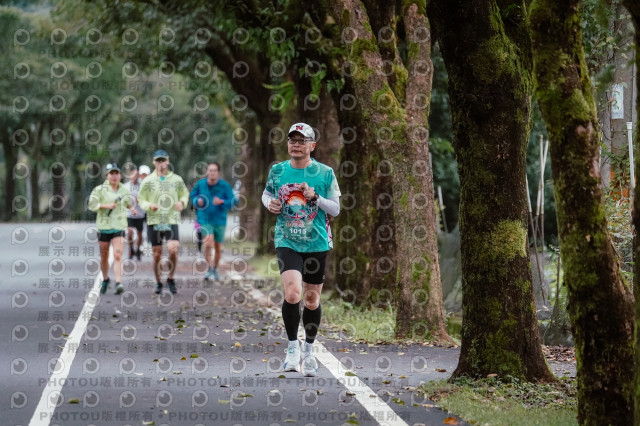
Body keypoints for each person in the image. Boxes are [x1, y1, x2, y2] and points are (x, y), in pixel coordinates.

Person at [262, 123, 341, 376]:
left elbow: (336, 209)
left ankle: (309, 350)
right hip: (287, 240)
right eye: (292, 139)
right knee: (294, 293)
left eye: (301, 140)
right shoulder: (278, 170)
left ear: (312, 146)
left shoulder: (325, 173)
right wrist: (270, 204)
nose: (296, 144)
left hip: (317, 242)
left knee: (311, 299)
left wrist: (316, 197)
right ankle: (292, 348)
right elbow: (267, 194)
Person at [137, 150, 189, 295]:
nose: (161, 164)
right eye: (158, 161)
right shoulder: (147, 181)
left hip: (171, 219)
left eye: (163, 160)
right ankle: (159, 282)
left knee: (173, 249)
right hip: (154, 220)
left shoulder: (176, 179)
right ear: (154, 162)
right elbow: (141, 199)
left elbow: (185, 194)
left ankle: (170, 278)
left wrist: (181, 202)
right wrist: (149, 206)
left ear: (168, 161)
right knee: (157, 254)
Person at [88, 163, 135, 295]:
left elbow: (128, 202)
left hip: (119, 226)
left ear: (120, 175)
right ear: (107, 175)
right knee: (104, 256)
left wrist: (132, 209)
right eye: (111, 174)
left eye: (116, 173)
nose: (114, 176)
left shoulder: (124, 190)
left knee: (118, 255)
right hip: (104, 227)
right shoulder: (99, 189)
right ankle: (106, 279)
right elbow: (92, 205)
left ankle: (118, 282)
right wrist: (105, 206)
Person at [190, 162, 236, 280]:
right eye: (210, 170)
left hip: (219, 220)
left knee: (218, 248)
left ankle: (213, 269)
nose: (212, 172)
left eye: (214, 170)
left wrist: (222, 202)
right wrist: (197, 201)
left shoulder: (224, 186)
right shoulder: (200, 184)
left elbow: (233, 201)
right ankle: (209, 267)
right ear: (207, 172)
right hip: (204, 218)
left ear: (218, 173)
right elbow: (192, 196)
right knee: (208, 243)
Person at [123, 165, 147, 260]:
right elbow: (123, 199)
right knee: (130, 232)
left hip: (140, 214)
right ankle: (131, 249)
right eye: (132, 175)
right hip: (129, 214)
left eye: (136, 175)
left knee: (140, 233)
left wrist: (140, 200)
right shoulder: (126, 187)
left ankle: (137, 250)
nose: (134, 177)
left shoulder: (142, 187)